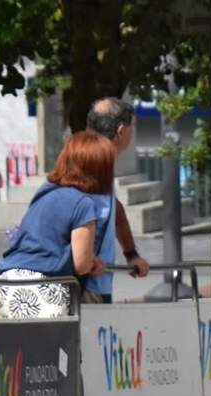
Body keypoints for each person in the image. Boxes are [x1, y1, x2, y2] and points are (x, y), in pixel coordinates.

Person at [0, 131, 114, 396]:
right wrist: (95, 265)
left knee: (20, 372)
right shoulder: (83, 204)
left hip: (6, 282)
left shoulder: (46, 194)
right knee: (44, 376)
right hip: (40, 288)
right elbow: (80, 259)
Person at [82, 97, 152, 303]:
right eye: (133, 127)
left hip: (94, 280)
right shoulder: (89, 166)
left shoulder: (99, 164)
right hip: (82, 284)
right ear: (121, 131)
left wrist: (131, 253)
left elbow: (116, 209)